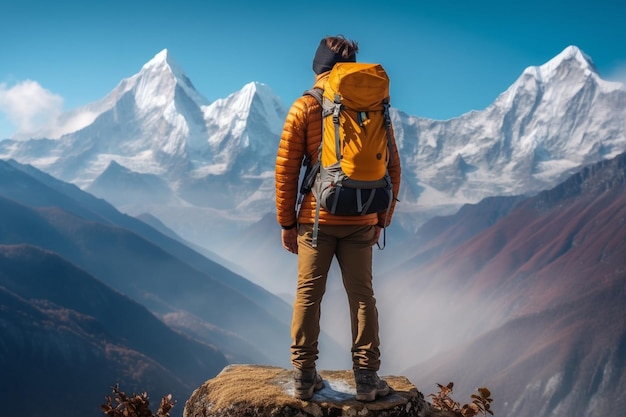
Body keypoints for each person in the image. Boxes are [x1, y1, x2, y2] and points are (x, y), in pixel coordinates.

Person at [275, 35, 402, 402]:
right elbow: (392, 166)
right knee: (362, 297)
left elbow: (285, 171)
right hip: (363, 218)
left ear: (318, 66)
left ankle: (303, 376)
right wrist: (382, 218)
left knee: (308, 294)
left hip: (316, 220)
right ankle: (366, 378)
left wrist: (287, 223)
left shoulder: (304, 107)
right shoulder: (375, 106)